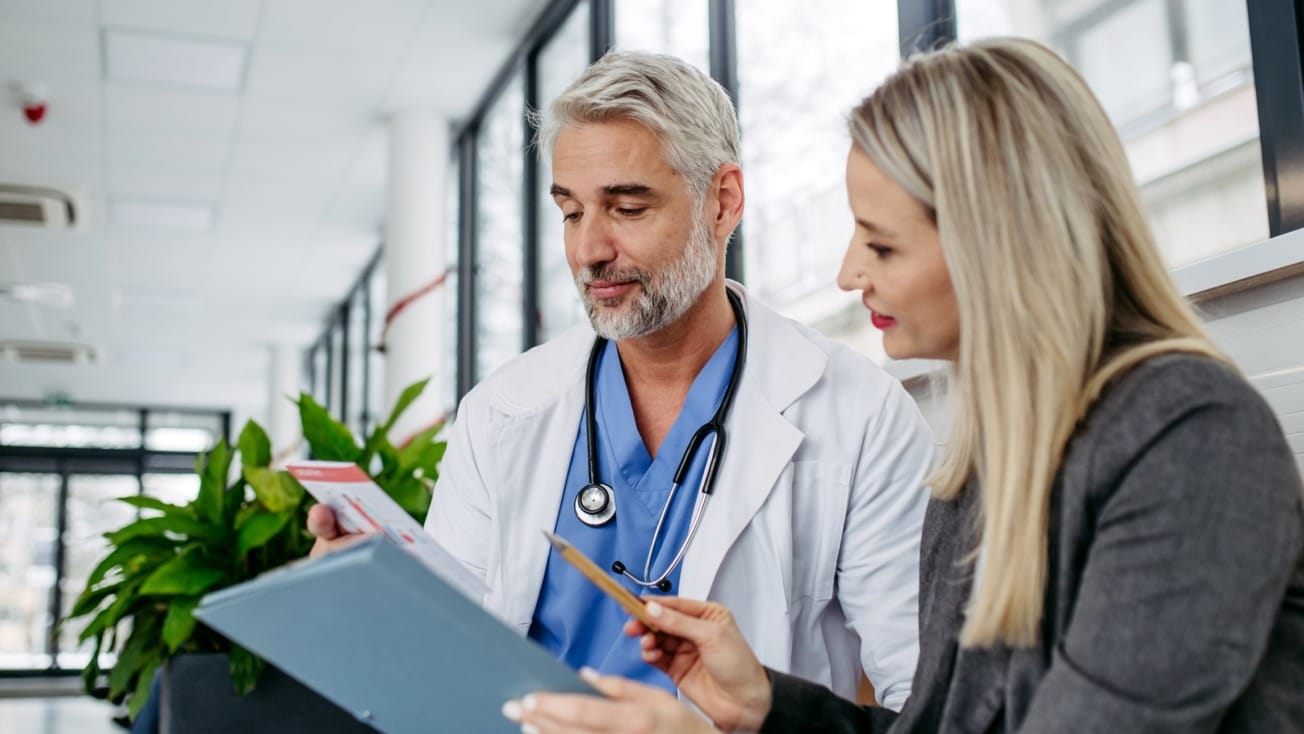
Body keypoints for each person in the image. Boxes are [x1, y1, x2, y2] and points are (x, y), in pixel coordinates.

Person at [505, 37, 1304, 733]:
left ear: (1001, 244)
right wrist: (768, 708)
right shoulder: (984, 470)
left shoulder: (1193, 444)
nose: (849, 274)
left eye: (881, 247)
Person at [309, 51, 935, 709]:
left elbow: (926, 697)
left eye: (627, 208)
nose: (588, 250)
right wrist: (370, 599)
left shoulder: (861, 414)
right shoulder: (501, 411)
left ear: (723, 202)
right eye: (572, 212)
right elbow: (444, 662)